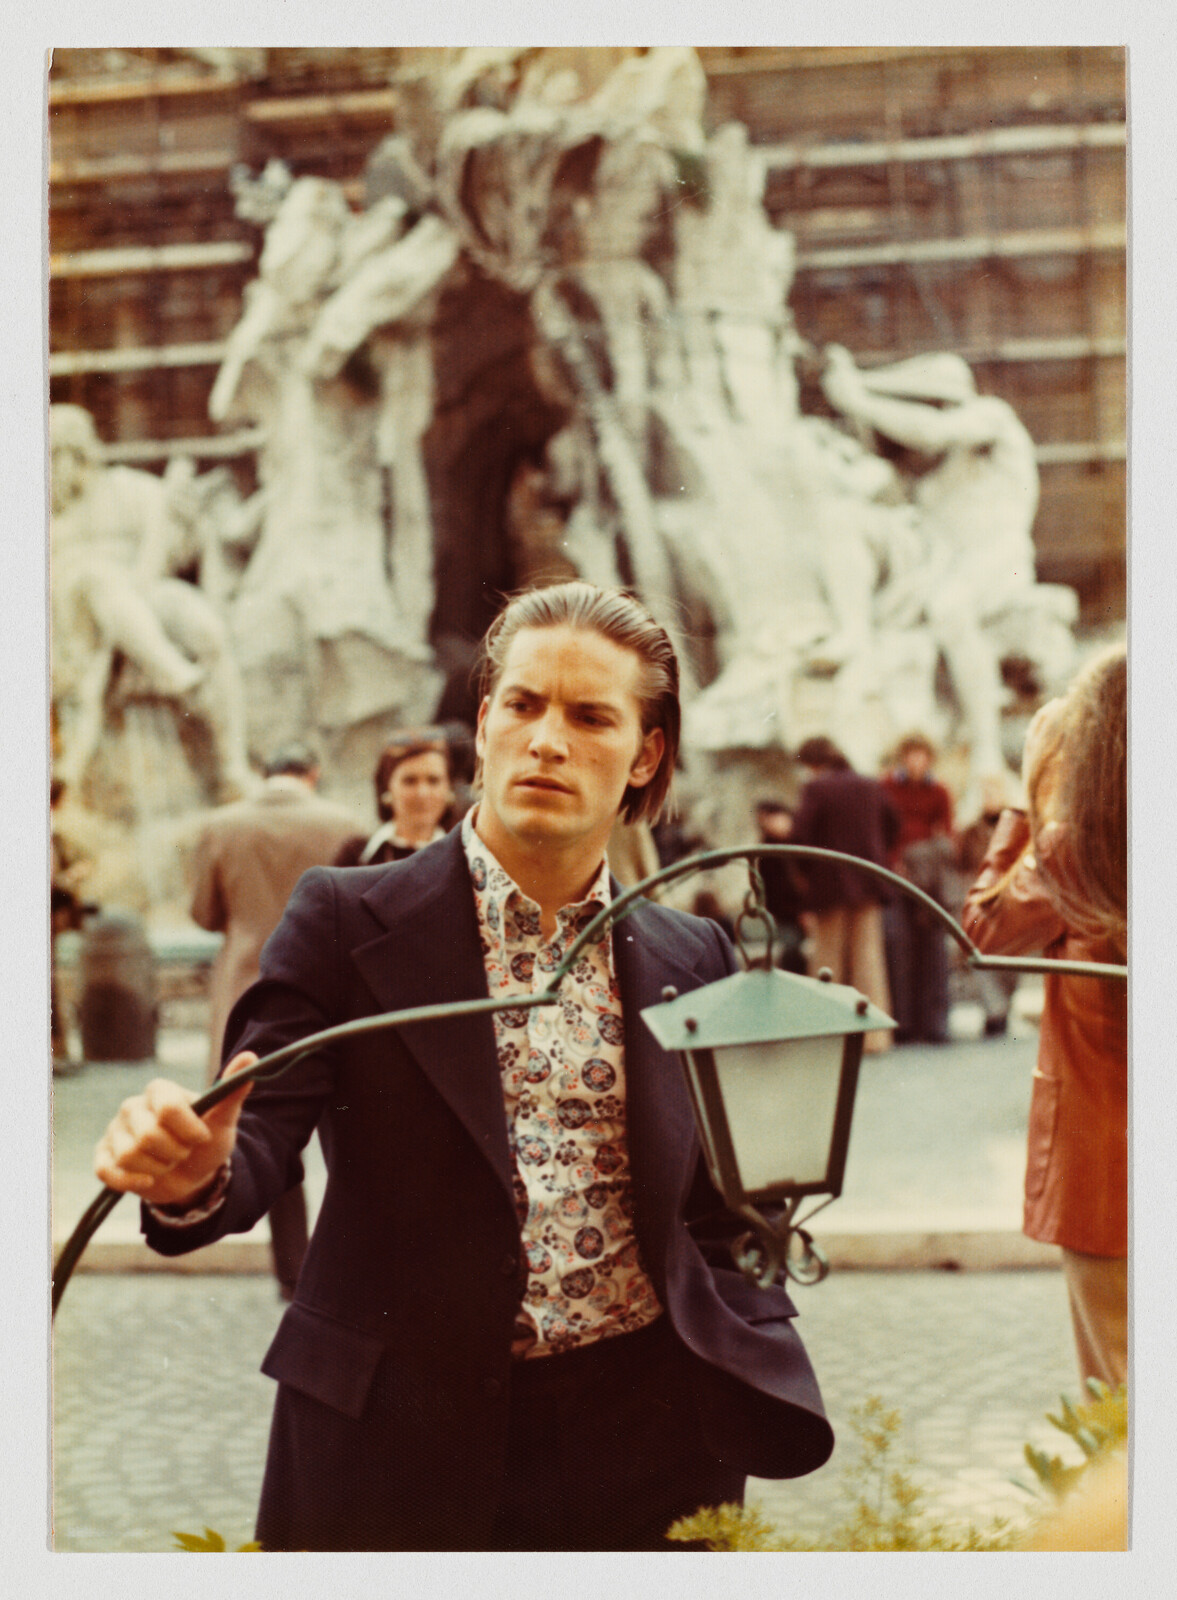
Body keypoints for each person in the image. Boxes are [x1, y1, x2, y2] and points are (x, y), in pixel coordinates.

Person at [93, 582, 833, 1552]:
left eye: (590, 715)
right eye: (522, 704)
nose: (547, 739)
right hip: (398, 1440)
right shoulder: (344, 918)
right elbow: (260, 1120)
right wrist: (199, 1175)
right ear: (482, 725)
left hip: (647, 1439)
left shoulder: (693, 953)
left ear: (646, 752)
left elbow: (723, 1200)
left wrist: (741, 1322)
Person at [963, 645, 1127, 1389]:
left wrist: (1024, 807)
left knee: (1120, 1403)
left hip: (1107, 1177)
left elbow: (985, 929)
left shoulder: (1073, 852)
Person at [188, 742, 362, 1299]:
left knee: (263, 1128)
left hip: (249, 990)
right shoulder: (345, 823)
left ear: (265, 775)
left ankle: (292, 1270)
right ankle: (348, 1258)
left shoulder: (222, 825)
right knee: (349, 1127)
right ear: (313, 773)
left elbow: (203, 913)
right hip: (336, 995)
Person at [787, 736, 898, 1053]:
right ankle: (875, 1038)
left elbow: (800, 836)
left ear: (813, 763)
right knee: (868, 962)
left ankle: (828, 1038)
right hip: (870, 883)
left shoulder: (816, 788)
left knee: (827, 963)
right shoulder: (870, 784)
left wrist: (806, 875)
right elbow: (894, 824)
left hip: (829, 886)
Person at [880, 734, 955, 1044]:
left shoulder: (938, 791)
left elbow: (947, 833)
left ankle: (935, 1023)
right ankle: (903, 1023)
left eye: (921, 756)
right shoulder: (886, 788)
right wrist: (894, 863)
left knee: (933, 949)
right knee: (899, 947)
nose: (916, 762)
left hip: (929, 879)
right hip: (897, 876)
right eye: (911, 755)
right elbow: (881, 830)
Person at [333, 730, 455, 867]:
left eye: (433, 781)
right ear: (387, 787)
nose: (422, 793)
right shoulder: (357, 855)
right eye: (409, 781)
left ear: (448, 788)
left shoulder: (461, 856)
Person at [754, 800, 807, 975]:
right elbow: (773, 892)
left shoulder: (799, 844)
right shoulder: (768, 853)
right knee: (791, 951)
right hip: (788, 915)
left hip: (803, 912)